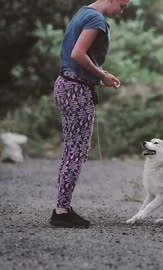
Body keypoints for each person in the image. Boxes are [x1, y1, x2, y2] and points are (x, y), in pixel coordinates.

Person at [50, 0, 130, 228]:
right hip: (76, 88)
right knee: (77, 150)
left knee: (72, 149)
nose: (122, 12)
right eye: (122, 6)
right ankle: (62, 211)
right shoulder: (96, 19)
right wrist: (102, 74)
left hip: (66, 84)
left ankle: (62, 206)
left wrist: (99, 74)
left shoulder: (83, 12)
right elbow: (78, 53)